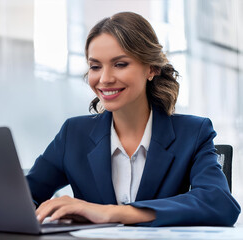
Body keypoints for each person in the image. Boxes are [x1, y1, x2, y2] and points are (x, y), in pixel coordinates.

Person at [26, 12, 240, 226]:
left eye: (120, 64)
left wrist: (113, 213)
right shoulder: (73, 134)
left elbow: (220, 203)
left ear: (151, 68)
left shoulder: (193, 133)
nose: (105, 79)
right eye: (95, 66)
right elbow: (24, 196)